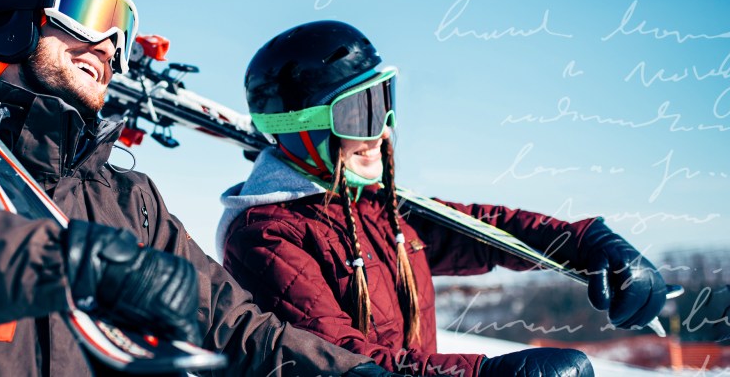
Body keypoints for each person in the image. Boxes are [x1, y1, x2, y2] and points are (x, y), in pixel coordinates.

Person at [0, 0, 395, 376]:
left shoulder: (132, 201)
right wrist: (66, 261)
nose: (111, 45)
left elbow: (237, 325)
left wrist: (352, 374)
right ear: (17, 18)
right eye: (93, 15)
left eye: (124, 29)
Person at [218, 20, 669, 376]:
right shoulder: (266, 237)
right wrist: (487, 375)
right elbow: (337, 361)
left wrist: (586, 241)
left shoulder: (374, 206)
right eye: (359, 112)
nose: (383, 130)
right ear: (300, 129)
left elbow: (481, 231)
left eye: (385, 101)